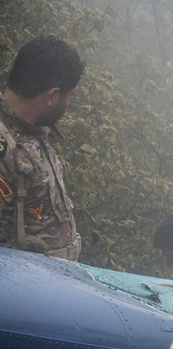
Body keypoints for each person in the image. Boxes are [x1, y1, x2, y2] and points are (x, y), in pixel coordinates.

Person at [0, 36, 85, 260]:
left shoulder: (31, 127)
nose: (68, 104)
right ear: (52, 96)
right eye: (69, 97)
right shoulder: (3, 147)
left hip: (51, 282)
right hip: (21, 288)